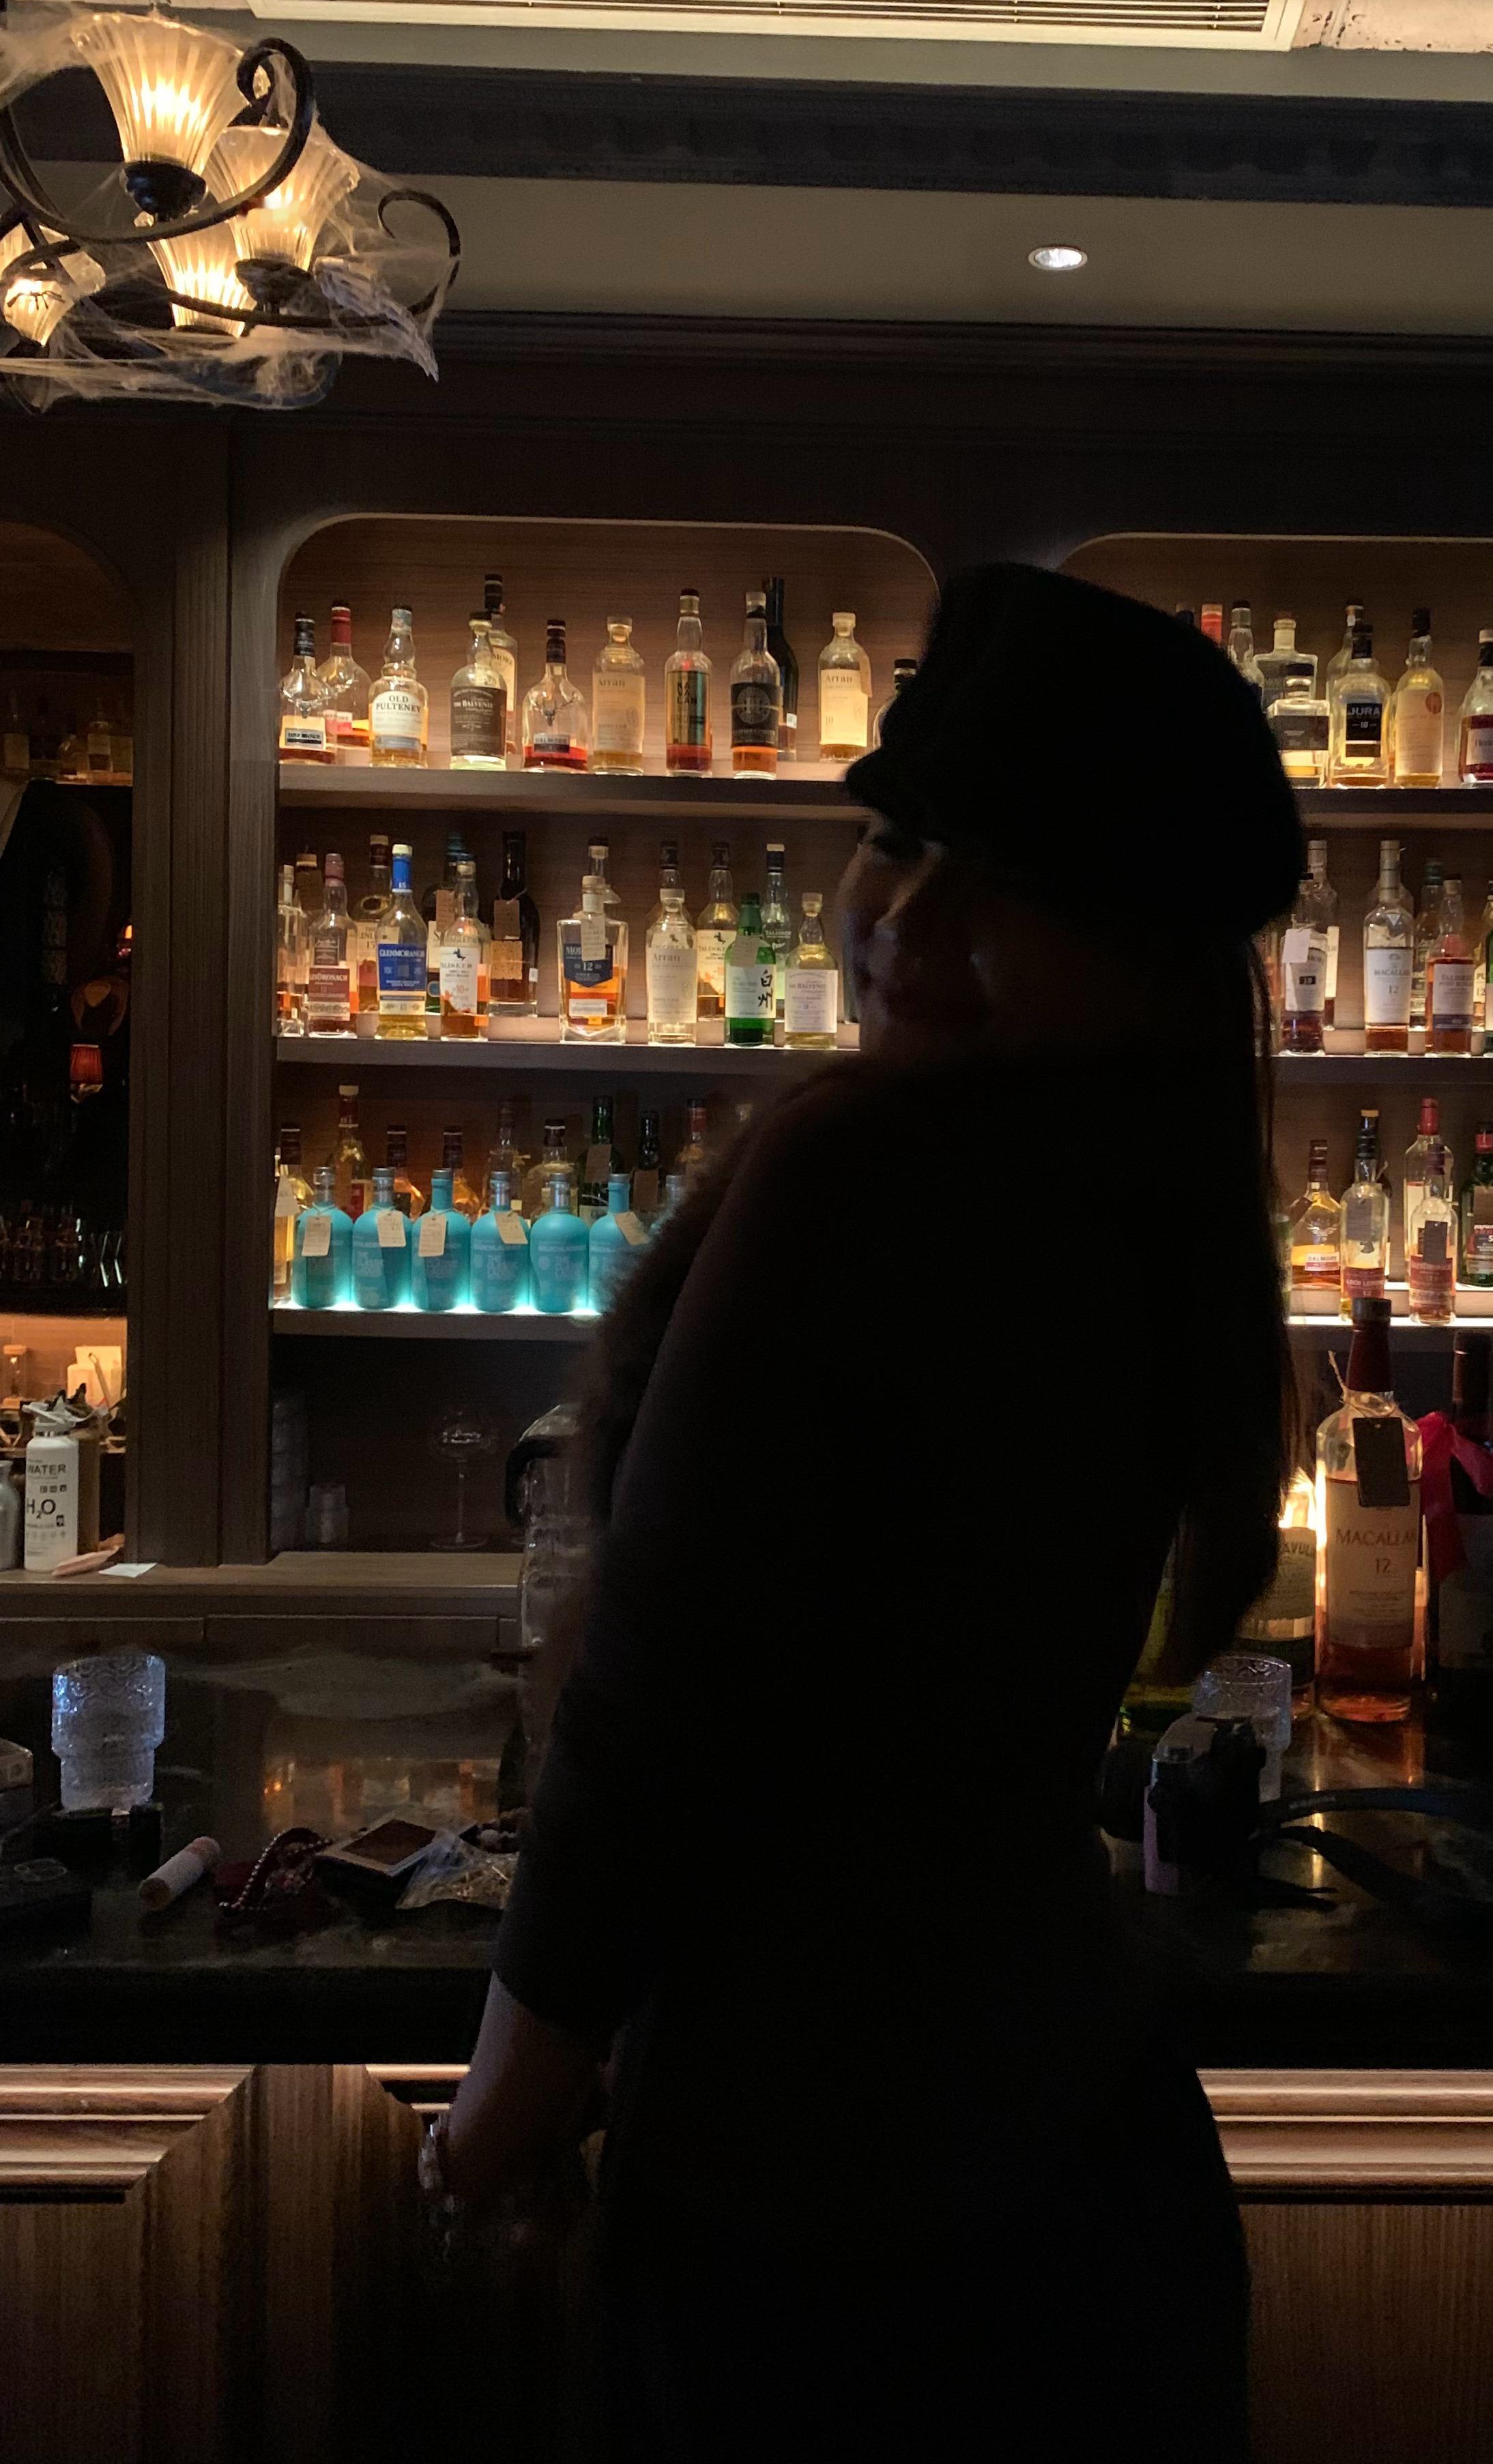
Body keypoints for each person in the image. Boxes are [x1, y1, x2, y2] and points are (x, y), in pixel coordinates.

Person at [433, 563, 1303, 2459]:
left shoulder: (851, 1170)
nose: (909, 919)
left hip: (819, 2196)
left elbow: (656, 1698)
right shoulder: (1156, 1219)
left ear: (1145, 956)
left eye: (1009, 885)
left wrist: (505, 2100)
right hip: (1082, 2161)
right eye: (900, 842)